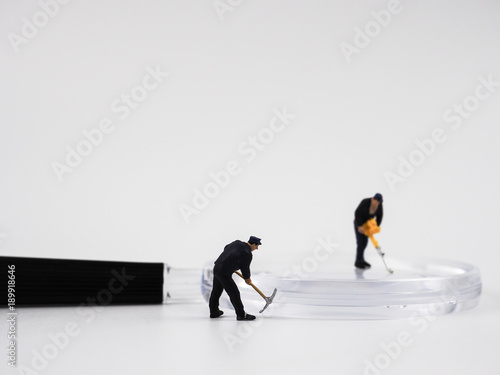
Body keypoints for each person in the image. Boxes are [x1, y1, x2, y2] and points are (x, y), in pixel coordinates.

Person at [209, 236, 262, 320]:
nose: (257, 248)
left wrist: (229, 261)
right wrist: (247, 279)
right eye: (257, 246)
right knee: (234, 293)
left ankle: (214, 312)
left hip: (217, 267)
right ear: (253, 244)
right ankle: (241, 315)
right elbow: (245, 268)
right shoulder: (247, 253)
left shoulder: (237, 242)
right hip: (224, 273)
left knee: (216, 291)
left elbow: (226, 247)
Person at [353, 193, 383, 269]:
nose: (378, 203)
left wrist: (375, 226)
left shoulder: (379, 205)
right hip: (359, 225)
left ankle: (362, 260)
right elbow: (357, 213)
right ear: (373, 199)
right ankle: (358, 261)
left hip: (368, 225)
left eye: (379, 202)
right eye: (377, 201)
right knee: (360, 243)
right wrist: (359, 226)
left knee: (365, 243)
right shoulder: (365, 202)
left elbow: (380, 216)